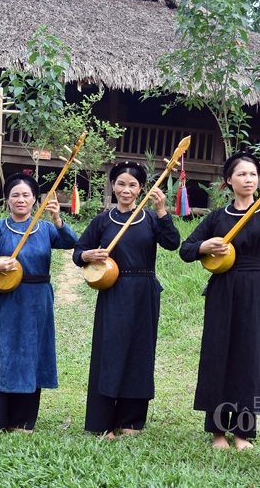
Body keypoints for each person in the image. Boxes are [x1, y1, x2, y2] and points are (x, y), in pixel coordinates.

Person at [179, 152, 260, 451]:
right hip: (223, 289)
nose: (249, 179)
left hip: (258, 289)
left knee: (252, 356)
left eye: (253, 174)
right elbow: (186, 249)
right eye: (242, 174)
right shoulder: (217, 217)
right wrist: (203, 246)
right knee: (219, 353)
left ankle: (243, 432)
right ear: (228, 181)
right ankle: (218, 431)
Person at [72, 161, 180, 438]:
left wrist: (162, 210)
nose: (126, 190)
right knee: (109, 352)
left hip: (145, 291)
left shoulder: (151, 219)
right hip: (113, 290)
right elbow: (79, 252)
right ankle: (103, 421)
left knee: (139, 352)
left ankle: (131, 420)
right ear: (113, 186)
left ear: (141, 188)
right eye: (121, 183)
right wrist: (88, 256)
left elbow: (172, 243)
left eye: (132, 185)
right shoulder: (103, 220)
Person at [0, 173, 78, 432]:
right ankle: (1, 420)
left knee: (33, 355)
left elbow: (72, 243)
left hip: (39, 300)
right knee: (7, 354)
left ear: (35, 200)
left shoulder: (45, 229)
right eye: (15, 195)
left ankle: (25, 421)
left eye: (26, 195)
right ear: (7, 200)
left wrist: (58, 220)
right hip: (7, 300)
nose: (20, 199)